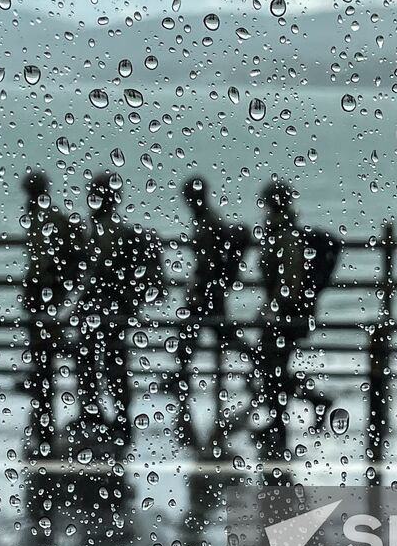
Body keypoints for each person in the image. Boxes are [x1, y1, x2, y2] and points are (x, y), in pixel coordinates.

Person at [71, 172, 166, 452]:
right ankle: (107, 414)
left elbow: (94, 272)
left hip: (105, 308)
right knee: (103, 363)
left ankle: (106, 415)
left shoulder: (107, 232)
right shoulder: (108, 230)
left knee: (102, 363)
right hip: (106, 308)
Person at [250, 178, 340, 465]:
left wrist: (274, 309)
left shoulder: (286, 236)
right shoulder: (279, 232)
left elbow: (291, 278)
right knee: (273, 369)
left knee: (272, 369)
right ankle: (308, 406)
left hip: (285, 317)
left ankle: (280, 428)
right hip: (283, 315)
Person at [168, 177, 250, 451]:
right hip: (209, 291)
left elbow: (208, 261)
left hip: (206, 292)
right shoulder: (209, 220)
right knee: (219, 336)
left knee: (201, 338)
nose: (187, 202)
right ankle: (254, 366)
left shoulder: (208, 223)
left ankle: (181, 381)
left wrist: (197, 288)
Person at [19, 170, 85, 457]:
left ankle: (45, 419)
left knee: (45, 358)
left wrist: (60, 285)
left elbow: (75, 251)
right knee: (41, 359)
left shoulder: (51, 219)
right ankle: (43, 417)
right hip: (40, 296)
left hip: (48, 297)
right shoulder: (39, 217)